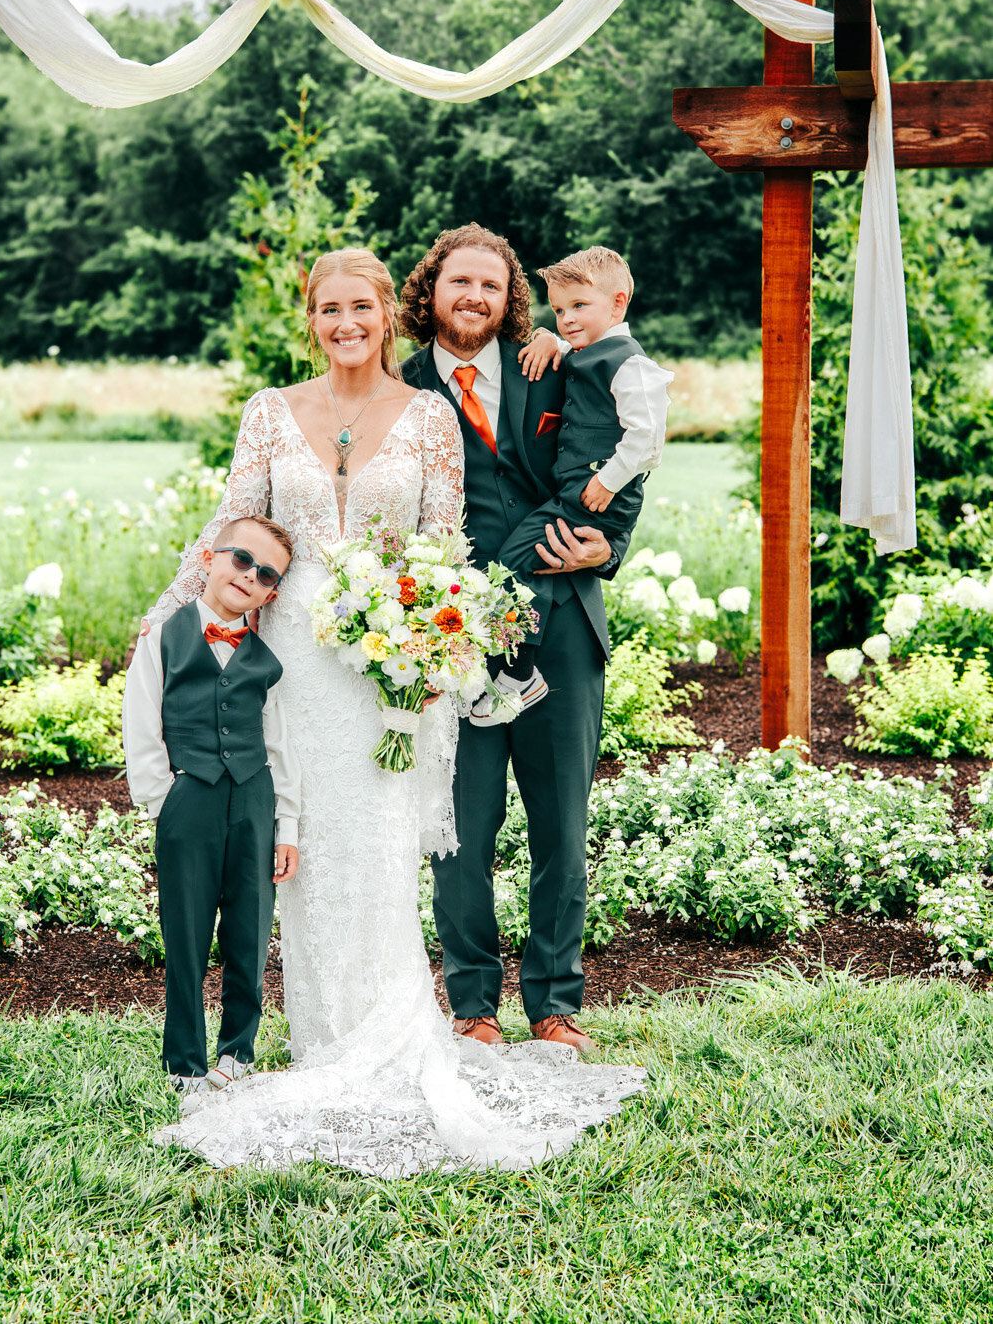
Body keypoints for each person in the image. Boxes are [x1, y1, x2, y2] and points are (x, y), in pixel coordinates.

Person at [141, 246, 644, 1175]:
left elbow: (443, 544)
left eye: (359, 308)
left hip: (381, 667)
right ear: (313, 316)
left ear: (385, 314)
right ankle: (319, 1031)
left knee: (377, 846)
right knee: (295, 848)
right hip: (284, 664)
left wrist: (423, 641)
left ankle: (406, 1025)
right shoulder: (270, 411)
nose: (344, 324)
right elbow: (233, 525)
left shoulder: (430, 414)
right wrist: (167, 619)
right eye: (327, 309)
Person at [398, 222, 624, 1056]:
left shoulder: (556, 367)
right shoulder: (399, 386)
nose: (474, 297)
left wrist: (610, 547)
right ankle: (472, 1007)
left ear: (507, 300)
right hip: (449, 636)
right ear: (431, 292)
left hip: (560, 622)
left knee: (561, 825)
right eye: (459, 282)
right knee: (460, 824)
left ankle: (556, 1005)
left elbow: (618, 463)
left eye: (490, 286)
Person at [123, 515, 300, 1103]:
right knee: (187, 932)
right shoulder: (160, 636)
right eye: (241, 559)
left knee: (249, 929)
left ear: (272, 593)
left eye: (265, 574)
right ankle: (185, 1060)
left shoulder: (266, 661)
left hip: (252, 799)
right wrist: (161, 801)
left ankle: (238, 1050)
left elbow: (280, 745)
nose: (249, 576)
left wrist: (287, 824)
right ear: (208, 557)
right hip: (189, 798)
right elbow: (141, 725)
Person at [481, 244, 673, 723]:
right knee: (516, 565)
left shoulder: (630, 365)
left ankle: (518, 677)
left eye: (579, 307)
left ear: (618, 302)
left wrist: (607, 483)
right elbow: (569, 345)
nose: (567, 319)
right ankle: (516, 673)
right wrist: (549, 337)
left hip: (595, 496)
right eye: (559, 309)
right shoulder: (587, 349)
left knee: (509, 564)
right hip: (578, 494)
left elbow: (648, 439)